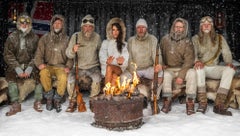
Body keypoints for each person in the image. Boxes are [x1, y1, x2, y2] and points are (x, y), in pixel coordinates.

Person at [192, 16, 235, 116]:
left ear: (212, 26)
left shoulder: (219, 38)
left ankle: (219, 104)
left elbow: (226, 52)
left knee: (230, 70)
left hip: (214, 67)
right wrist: (196, 61)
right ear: (201, 27)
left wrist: (229, 62)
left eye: (209, 24)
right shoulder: (195, 38)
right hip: (201, 67)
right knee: (199, 69)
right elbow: (192, 53)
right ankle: (203, 102)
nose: (206, 26)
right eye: (204, 24)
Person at [4, 13, 43, 116]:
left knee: (39, 79)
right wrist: (18, 69)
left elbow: (37, 55)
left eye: (27, 22)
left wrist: (29, 68)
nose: (24, 24)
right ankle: (16, 104)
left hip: (30, 66)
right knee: (11, 81)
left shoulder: (35, 38)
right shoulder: (12, 37)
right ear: (18, 23)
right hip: (15, 67)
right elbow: (8, 55)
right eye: (22, 22)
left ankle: (38, 101)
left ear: (30, 24)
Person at [34, 14, 73, 113]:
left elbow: (71, 56)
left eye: (59, 23)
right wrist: (39, 64)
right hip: (48, 65)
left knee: (64, 77)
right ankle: (49, 97)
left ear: (62, 25)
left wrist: (68, 66)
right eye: (55, 23)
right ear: (52, 25)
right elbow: (38, 54)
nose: (57, 25)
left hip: (61, 66)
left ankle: (57, 99)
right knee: (43, 73)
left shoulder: (67, 39)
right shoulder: (45, 38)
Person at [160, 18, 196, 115]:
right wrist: (162, 64)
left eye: (181, 27)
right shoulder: (165, 40)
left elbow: (189, 61)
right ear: (173, 27)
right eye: (176, 27)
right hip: (169, 68)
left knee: (192, 73)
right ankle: (167, 100)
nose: (178, 29)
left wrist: (181, 75)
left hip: (183, 68)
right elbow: (160, 55)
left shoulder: (188, 42)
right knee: (166, 75)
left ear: (184, 29)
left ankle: (190, 102)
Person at [65, 14, 102, 112]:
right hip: (79, 67)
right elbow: (68, 54)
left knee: (97, 78)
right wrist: (73, 50)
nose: (88, 28)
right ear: (82, 27)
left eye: (90, 27)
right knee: (70, 79)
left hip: (93, 66)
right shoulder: (75, 36)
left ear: (93, 28)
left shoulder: (97, 37)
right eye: (85, 26)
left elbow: (101, 53)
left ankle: (93, 100)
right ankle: (73, 101)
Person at [124, 18, 163, 109]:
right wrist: (134, 72)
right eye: (138, 27)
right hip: (135, 69)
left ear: (146, 29)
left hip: (148, 68)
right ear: (136, 29)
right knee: (123, 78)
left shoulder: (152, 39)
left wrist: (158, 64)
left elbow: (157, 54)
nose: (141, 30)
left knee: (160, 73)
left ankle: (155, 99)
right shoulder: (131, 41)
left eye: (143, 27)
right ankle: (132, 99)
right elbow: (129, 58)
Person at [99, 17, 129, 87]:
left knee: (110, 67)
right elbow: (102, 56)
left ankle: (106, 93)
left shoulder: (124, 44)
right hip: (107, 69)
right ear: (110, 31)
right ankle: (110, 95)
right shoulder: (105, 43)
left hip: (118, 68)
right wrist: (107, 61)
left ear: (120, 31)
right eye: (113, 30)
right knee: (114, 77)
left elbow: (125, 57)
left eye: (117, 30)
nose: (115, 32)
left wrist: (121, 62)